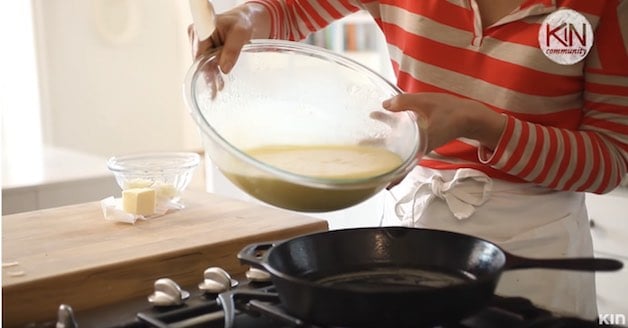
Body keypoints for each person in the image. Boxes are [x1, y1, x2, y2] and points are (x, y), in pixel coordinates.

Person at [189, 0, 628, 319]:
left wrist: (484, 125)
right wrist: (248, 16)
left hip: (537, 242)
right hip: (414, 233)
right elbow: (291, 9)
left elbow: (610, 160)